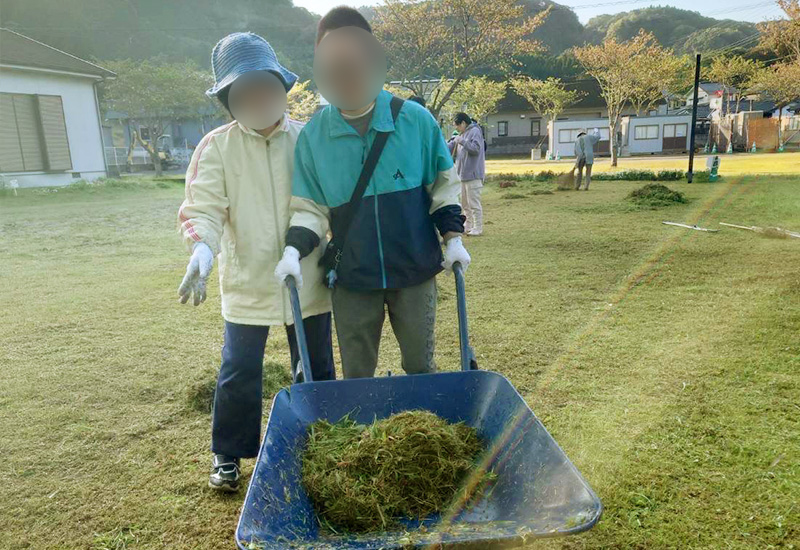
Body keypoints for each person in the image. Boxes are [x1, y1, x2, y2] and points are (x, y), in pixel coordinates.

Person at [274, 7, 470, 379]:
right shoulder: (314, 137)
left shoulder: (415, 120)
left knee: (420, 367)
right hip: (353, 277)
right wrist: (292, 251)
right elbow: (309, 208)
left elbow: (443, 186)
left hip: (415, 270)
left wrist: (453, 239)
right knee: (357, 375)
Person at [177, 32, 334, 492]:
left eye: (265, 86)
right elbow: (203, 208)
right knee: (239, 371)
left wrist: (299, 249)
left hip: (306, 277)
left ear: (281, 87)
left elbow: (319, 204)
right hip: (246, 279)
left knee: (315, 365)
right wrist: (202, 248)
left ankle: (318, 441)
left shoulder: (308, 139)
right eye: (244, 91)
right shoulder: (216, 147)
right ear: (229, 99)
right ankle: (227, 454)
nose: (257, 98)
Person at [448, 112, 486, 236]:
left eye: (457, 125)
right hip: (462, 175)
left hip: (473, 175)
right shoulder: (462, 134)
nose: (456, 128)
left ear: (463, 123)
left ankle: (478, 227)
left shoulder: (475, 131)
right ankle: (468, 226)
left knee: (474, 203)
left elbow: (476, 149)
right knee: (465, 204)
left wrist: (462, 141)